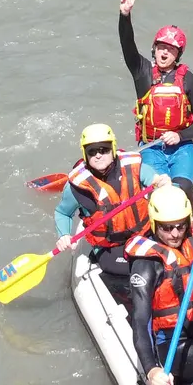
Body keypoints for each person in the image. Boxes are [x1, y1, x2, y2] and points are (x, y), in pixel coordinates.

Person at [125, 184, 193, 385]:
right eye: (166, 227)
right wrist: (151, 369)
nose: (175, 234)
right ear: (154, 224)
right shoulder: (146, 266)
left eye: (180, 226)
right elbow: (140, 322)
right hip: (172, 343)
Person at [118, 0, 193, 200]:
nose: (164, 52)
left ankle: (187, 227)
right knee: (160, 190)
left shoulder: (189, 80)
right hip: (151, 147)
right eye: (161, 47)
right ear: (154, 49)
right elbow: (127, 45)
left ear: (178, 54)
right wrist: (125, 15)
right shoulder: (142, 73)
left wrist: (180, 135)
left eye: (171, 49)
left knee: (183, 186)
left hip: (182, 147)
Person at [53, 123, 162, 302]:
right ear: (85, 154)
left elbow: (155, 180)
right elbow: (62, 213)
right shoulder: (76, 185)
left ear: (113, 148)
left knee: (158, 262)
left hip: (143, 234)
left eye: (103, 149)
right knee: (133, 270)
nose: (98, 155)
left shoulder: (133, 166)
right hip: (110, 248)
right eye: (92, 151)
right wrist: (63, 235)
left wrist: (161, 182)